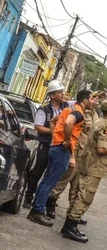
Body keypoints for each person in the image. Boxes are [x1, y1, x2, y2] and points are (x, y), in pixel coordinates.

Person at [27, 90, 93, 227]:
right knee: (50, 182)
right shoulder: (78, 113)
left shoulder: (69, 108)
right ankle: (37, 211)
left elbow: (53, 121)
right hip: (62, 150)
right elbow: (69, 123)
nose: (94, 102)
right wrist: (67, 140)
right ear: (85, 100)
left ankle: (36, 208)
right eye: (92, 99)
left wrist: (56, 136)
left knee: (46, 181)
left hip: (55, 147)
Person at [62, 98, 107, 243]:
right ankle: (71, 227)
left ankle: (68, 226)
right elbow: (100, 149)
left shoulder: (100, 122)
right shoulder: (105, 125)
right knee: (85, 196)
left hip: (88, 163)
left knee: (79, 193)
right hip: (94, 165)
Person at [45, 91, 104, 222]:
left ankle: (73, 213)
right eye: (94, 98)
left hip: (85, 155)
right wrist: (60, 141)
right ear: (88, 99)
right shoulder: (77, 110)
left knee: (78, 185)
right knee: (63, 180)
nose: (97, 101)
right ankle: (50, 204)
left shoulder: (95, 115)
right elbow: (57, 122)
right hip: (74, 152)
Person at [23, 80, 70, 209]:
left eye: (62, 92)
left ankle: (41, 201)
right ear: (52, 95)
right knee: (37, 172)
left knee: (50, 176)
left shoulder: (66, 107)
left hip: (58, 147)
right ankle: (28, 197)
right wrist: (54, 132)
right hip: (46, 145)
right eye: (60, 92)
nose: (62, 94)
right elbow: (38, 127)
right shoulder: (44, 109)